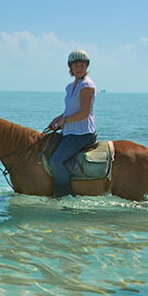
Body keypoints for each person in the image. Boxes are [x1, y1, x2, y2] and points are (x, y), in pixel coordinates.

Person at [46, 50, 97, 198]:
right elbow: (70, 110)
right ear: (71, 67)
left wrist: (65, 121)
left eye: (82, 65)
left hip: (82, 133)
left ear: (86, 67)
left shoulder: (87, 85)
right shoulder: (70, 87)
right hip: (69, 131)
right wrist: (58, 119)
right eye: (76, 66)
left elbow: (84, 113)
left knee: (55, 161)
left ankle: (64, 196)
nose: (79, 68)